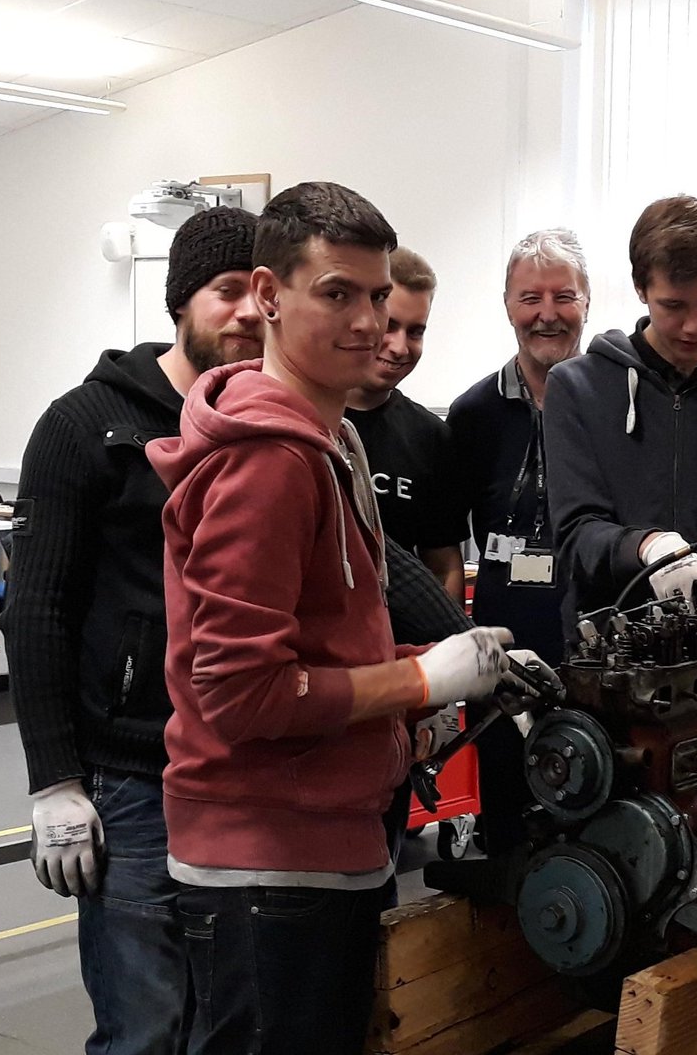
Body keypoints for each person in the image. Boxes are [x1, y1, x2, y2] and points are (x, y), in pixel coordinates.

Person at [147, 181, 521, 1055]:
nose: (370, 325)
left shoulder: (330, 440)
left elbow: (326, 640)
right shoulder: (269, 464)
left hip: (324, 847)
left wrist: (447, 667)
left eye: (379, 297)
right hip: (267, 868)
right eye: (338, 295)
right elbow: (243, 693)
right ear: (270, 297)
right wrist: (423, 678)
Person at [0, 205, 261, 1055]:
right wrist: (54, 783)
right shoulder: (85, 425)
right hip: (132, 783)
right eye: (227, 292)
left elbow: (371, 563)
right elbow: (34, 611)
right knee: (146, 1029)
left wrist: (473, 648)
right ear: (180, 302)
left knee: (229, 1026)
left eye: (261, 293)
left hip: (239, 774)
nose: (248, 314)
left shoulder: (270, 424)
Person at [544, 195, 697, 632]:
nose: (696, 325)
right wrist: (646, 546)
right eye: (674, 306)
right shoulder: (576, 387)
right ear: (641, 289)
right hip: (610, 652)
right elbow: (575, 536)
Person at [447, 228, 589, 853]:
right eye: (530, 297)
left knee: (592, 794)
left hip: (590, 635)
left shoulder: (613, 404)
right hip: (503, 638)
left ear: (588, 303)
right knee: (509, 796)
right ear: (507, 305)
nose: (548, 314)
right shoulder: (472, 415)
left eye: (565, 295)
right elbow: (447, 541)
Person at [345, 246, 468, 601]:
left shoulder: (431, 437)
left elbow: (444, 564)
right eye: (391, 326)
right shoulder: (301, 418)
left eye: (415, 332)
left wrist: (448, 645)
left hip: (400, 643)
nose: (400, 347)